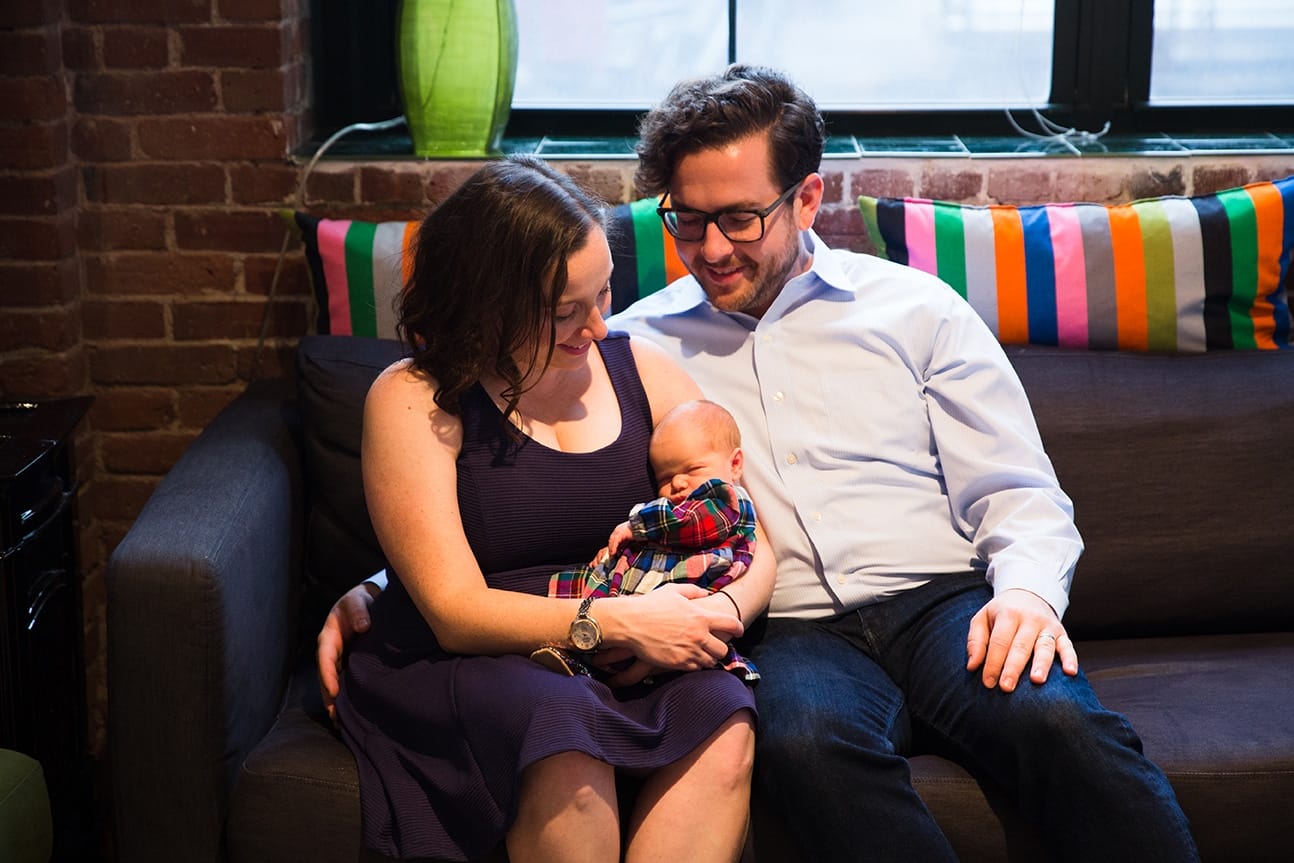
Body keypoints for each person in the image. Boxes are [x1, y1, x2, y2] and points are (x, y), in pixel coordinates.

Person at [321, 67, 1200, 861]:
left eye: (738, 218)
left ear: (807, 197)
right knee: (805, 746)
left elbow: (1017, 488)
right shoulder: (635, 342)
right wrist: (382, 583)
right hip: (789, 631)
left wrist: (1028, 594)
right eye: (687, 220)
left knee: (1060, 725)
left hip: (944, 601)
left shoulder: (914, 309)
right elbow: (520, 488)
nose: (710, 249)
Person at [329, 153, 774, 863]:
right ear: (487, 306)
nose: (597, 327)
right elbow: (452, 607)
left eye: (602, 295)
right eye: (566, 311)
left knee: (724, 716)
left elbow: (745, 529)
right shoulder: (416, 398)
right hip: (481, 654)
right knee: (562, 726)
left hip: (632, 648)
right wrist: (614, 621)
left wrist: (715, 614)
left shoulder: (645, 372)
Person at [536, 398, 759, 682]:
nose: (677, 483)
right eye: (665, 477)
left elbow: (689, 523)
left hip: (691, 599)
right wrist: (618, 553)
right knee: (594, 587)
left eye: (692, 470)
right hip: (651, 590)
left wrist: (635, 527)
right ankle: (574, 653)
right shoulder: (668, 520)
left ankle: (590, 661)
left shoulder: (728, 501)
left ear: (735, 463)